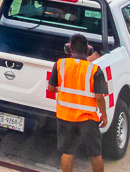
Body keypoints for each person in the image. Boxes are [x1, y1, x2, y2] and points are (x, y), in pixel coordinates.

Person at [47, 32, 108, 172]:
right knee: (96, 154)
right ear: (88, 50)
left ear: (69, 49)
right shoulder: (94, 70)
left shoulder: (60, 64)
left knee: (68, 152)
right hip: (88, 118)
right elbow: (99, 97)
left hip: (65, 116)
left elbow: (51, 88)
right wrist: (104, 115)